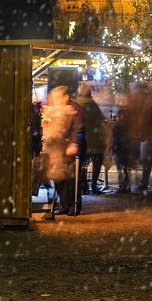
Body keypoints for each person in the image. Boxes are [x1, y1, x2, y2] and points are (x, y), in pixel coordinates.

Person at [41, 85, 84, 216]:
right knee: (58, 177)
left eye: (57, 98)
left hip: (68, 148)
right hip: (55, 149)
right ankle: (64, 205)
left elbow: (79, 129)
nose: (55, 101)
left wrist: (74, 143)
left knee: (70, 179)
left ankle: (73, 206)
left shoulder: (74, 110)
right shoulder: (55, 110)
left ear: (65, 97)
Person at [75, 81, 105, 194]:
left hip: (81, 138)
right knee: (97, 161)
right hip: (94, 139)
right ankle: (93, 185)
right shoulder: (93, 105)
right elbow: (100, 120)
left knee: (81, 163)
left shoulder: (77, 104)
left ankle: (83, 185)